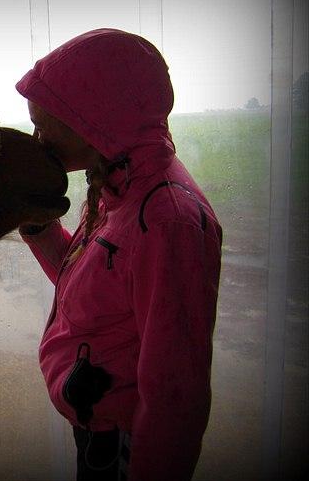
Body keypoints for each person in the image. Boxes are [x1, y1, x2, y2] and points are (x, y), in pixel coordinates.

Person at [16, 28, 223, 481]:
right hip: (98, 429)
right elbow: (92, 289)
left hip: (124, 447)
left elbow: (174, 397)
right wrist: (36, 225)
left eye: (45, 124)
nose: (37, 139)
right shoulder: (114, 184)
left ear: (96, 119)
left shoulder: (168, 221)